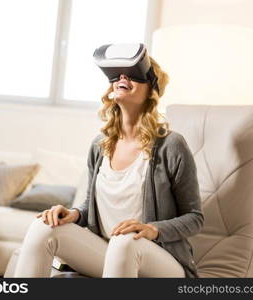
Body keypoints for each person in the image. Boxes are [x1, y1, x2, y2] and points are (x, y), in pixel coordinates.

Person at [12, 45, 204, 278]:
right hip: (108, 252)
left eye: (133, 74)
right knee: (43, 227)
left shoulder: (171, 145)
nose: (123, 77)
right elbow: (93, 208)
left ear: (151, 89)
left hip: (160, 262)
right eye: (118, 74)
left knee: (125, 241)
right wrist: (74, 214)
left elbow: (195, 218)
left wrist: (152, 229)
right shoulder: (100, 145)